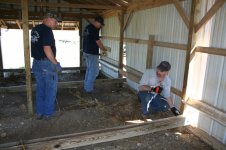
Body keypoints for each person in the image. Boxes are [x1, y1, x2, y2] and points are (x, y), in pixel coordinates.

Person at [31, 12, 62, 119]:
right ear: (49, 18)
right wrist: (55, 63)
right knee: (50, 90)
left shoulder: (35, 29)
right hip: (46, 64)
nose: (56, 24)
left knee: (41, 88)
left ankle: (39, 112)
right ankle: (48, 113)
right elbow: (47, 48)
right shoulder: (47, 30)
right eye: (55, 21)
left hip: (36, 62)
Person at [83, 16, 107, 93]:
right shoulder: (94, 29)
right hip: (92, 52)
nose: (100, 26)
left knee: (89, 69)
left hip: (86, 51)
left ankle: (86, 86)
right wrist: (104, 49)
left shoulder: (87, 27)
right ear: (97, 22)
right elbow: (98, 41)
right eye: (100, 24)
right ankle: (89, 89)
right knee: (94, 71)